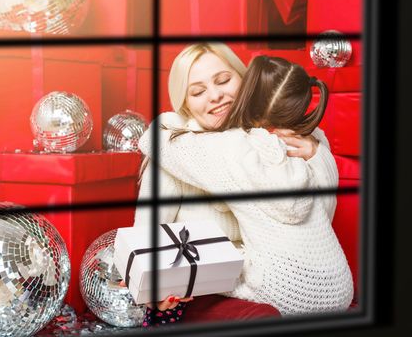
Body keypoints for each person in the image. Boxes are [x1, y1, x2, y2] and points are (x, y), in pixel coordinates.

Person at [138, 55, 354, 318]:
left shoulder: (285, 142)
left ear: (247, 83)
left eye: (224, 80)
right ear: (185, 102)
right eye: (198, 91)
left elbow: (322, 218)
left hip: (272, 285)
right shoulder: (191, 148)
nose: (215, 95)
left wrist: (318, 154)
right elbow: (146, 235)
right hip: (336, 288)